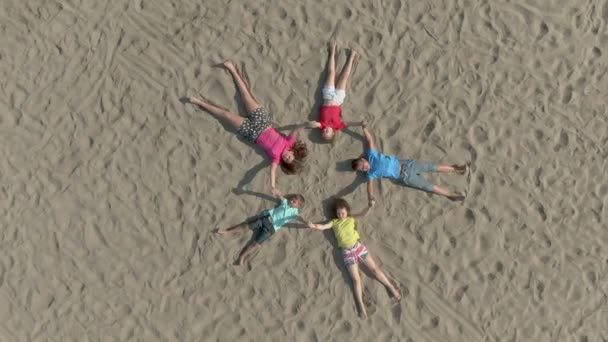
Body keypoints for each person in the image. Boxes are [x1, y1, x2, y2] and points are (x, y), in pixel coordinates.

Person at [188, 60, 308, 196]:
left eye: (286, 160)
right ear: (292, 153)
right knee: (245, 96)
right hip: (262, 121)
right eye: (289, 156)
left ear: (284, 163)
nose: (286, 157)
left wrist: (273, 186)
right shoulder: (288, 143)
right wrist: (307, 125)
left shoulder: (276, 159)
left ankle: (198, 102)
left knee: (227, 116)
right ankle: (232, 69)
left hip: (252, 133)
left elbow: (272, 171)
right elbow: (296, 129)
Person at [308, 198, 401, 318]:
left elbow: (362, 214)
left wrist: (369, 206)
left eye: (342, 212)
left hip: (358, 248)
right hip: (347, 253)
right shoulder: (334, 222)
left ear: (347, 211)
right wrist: (314, 226)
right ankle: (361, 305)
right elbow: (323, 226)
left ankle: (391, 288)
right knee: (356, 280)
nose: (340, 215)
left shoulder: (351, 219)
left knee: (375, 270)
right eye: (338, 213)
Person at [351, 122, 469, 203]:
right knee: (429, 187)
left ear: (363, 159)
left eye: (362, 164)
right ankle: (451, 195)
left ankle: (455, 168)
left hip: (408, 164)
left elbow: (370, 139)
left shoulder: (372, 155)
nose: (364, 167)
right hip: (405, 177)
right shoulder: (371, 174)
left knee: (433, 167)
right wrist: (371, 197)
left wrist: (364, 128)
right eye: (362, 169)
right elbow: (369, 187)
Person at [216, 190, 305, 266]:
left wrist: (306, 222)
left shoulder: (295, 213)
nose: (291, 201)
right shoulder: (285, 203)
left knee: (257, 244)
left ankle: (242, 257)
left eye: (294, 201)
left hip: (271, 229)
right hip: (265, 220)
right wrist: (276, 191)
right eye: (292, 199)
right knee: (246, 226)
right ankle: (227, 232)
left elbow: (299, 218)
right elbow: (280, 196)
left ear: (298, 206)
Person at [309, 41, 364, 141]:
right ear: (333, 132)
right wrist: (359, 123)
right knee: (344, 77)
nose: (324, 131)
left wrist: (313, 124)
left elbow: (316, 124)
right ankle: (351, 56)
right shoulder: (337, 126)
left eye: (323, 132)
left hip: (328, 96)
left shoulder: (322, 125)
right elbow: (348, 124)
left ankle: (332, 51)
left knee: (331, 73)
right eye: (327, 133)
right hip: (338, 99)